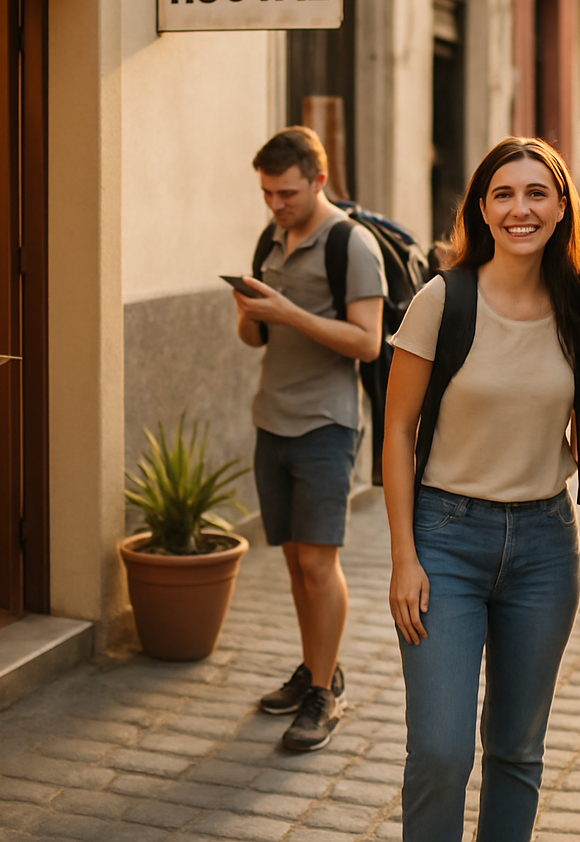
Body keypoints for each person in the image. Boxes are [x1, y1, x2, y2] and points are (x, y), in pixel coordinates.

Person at [384, 137, 580, 841]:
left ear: (562, 208)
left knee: (518, 750)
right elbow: (399, 431)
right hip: (446, 541)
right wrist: (403, 557)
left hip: (545, 546)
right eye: (503, 193)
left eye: (537, 193)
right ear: (481, 207)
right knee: (440, 751)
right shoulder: (444, 298)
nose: (520, 208)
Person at [232, 126, 385, 751]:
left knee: (320, 563)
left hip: (327, 422)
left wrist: (290, 312)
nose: (276, 205)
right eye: (267, 193)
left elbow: (367, 341)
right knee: (295, 559)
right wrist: (249, 316)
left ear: (319, 179)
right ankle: (312, 668)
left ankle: (325, 693)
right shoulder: (271, 237)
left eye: (287, 192)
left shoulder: (353, 245)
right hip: (273, 417)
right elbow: (253, 339)